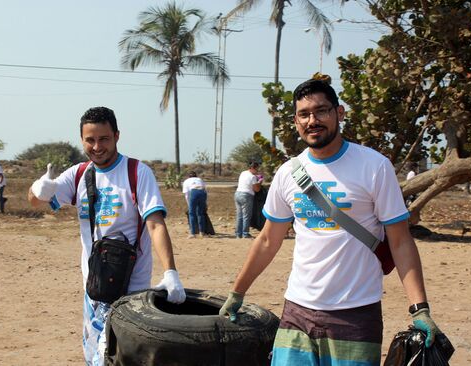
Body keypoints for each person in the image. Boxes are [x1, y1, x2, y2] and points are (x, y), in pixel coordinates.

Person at [219, 79, 441, 365]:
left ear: (340, 113)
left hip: (355, 315)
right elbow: (267, 240)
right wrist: (237, 292)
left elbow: (399, 240)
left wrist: (419, 308)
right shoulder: (288, 173)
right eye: (304, 114)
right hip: (297, 311)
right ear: (296, 122)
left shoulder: (374, 166)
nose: (312, 120)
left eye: (321, 111)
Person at [27, 106, 186, 366]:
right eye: (90, 140)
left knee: (120, 358)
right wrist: (39, 189)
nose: (97, 146)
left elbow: (155, 224)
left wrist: (171, 273)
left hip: (131, 290)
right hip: (94, 287)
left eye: (104, 139)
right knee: (95, 358)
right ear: (82, 140)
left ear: (117, 136)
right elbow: (34, 202)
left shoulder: (137, 173)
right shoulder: (78, 174)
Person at [234, 161, 262, 238]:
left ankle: (238, 233)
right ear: (253, 168)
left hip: (238, 194)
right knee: (246, 215)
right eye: (257, 169)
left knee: (239, 215)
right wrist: (259, 182)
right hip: (246, 196)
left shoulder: (243, 173)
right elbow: (257, 189)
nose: (257, 171)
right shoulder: (252, 177)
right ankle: (245, 233)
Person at [182, 170, 208, 239]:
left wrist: (189, 204)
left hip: (194, 192)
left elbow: (186, 194)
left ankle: (193, 233)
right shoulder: (199, 179)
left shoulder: (186, 181)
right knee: (200, 213)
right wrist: (205, 203)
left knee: (192, 213)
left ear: (188, 176)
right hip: (202, 192)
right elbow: (205, 190)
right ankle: (202, 232)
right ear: (195, 176)